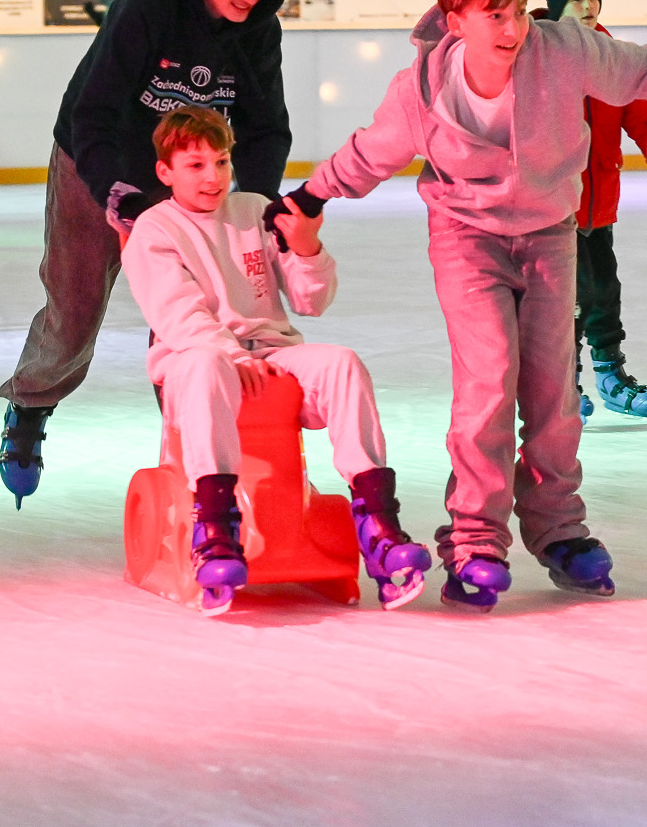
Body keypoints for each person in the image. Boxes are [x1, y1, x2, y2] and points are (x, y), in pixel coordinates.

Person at [278, 0, 647, 610]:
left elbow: (645, 70)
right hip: (466, 237)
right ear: (456, 21)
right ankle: (474, 539)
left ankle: (559, 528)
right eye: (494, 16)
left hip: (550, 233)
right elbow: (370, 152)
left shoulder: (562, 51)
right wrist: (310, 195)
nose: (512, 28)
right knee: (489, 378)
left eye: (518, 13)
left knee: (554, 390)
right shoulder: (423, 88)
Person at [0, 0, 289, 508]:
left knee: (189, 318)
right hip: (95, 162)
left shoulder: (258, 30)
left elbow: (264, 127)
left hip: (181, 177)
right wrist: (114, 190)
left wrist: (258, 205)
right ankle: (30, 403)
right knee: (75, 306)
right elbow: (94, 111)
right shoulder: (149, 6)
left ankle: (196, 449)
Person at [127, 105, 430, 613]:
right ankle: (215, 531)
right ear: (165, 171)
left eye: (221, 162)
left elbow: (311, 301)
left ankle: (378, 523)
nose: (212, 177)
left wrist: (307, 248)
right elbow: (179, 313)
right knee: (205, 364)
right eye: (195, 165)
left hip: (272, 354)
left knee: (341, 363)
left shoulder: (254, 210)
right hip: (192, 361)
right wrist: (231, 355)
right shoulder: (154, 229)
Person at [540, 0, 647, 421]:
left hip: (598, 207)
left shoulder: (614, 58)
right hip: (551, 206)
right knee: (568, 300)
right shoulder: (536, 56)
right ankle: (562, 386)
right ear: (556, 7)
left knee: (604, 292)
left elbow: (642, 118)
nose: (588, 7)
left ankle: (611, 378)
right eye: (577, 0)